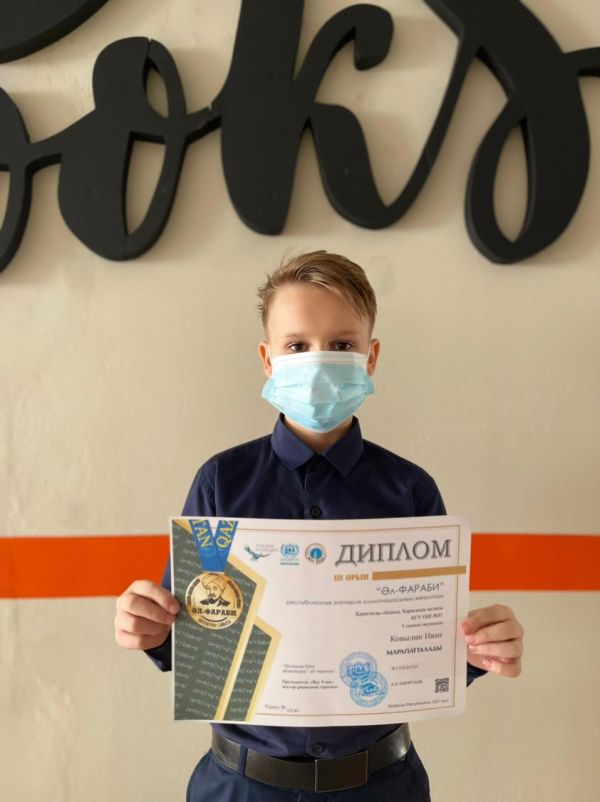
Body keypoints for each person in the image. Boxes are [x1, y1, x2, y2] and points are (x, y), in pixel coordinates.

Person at [115, 251, 524, 801]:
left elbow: (429, 644)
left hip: (381, 786)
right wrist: (150, 627)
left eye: (342, 344)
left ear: (371, 357)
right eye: (296, 345)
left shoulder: (410, 491)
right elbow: (187, 637)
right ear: (267, 359)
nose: (319, 360)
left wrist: (477, 651)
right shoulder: (220, 483)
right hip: (242, 786)